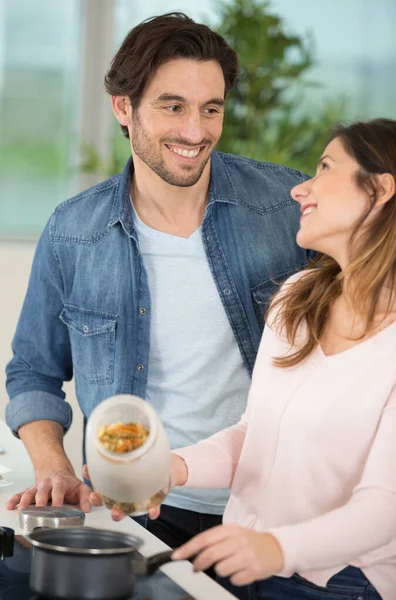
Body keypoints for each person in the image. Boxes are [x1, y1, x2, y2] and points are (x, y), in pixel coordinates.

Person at [5, 13, 311, 549]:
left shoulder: (286, 207)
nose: (196, 132)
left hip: (273, 509)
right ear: (124, 107)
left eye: (210, 109)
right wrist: (54, 468)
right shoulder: (74, 233)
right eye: (173, 106)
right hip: (139, 516)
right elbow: (33, 371)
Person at [158, 118, 396, 600]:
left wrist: (274, 548)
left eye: (325, 167)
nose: (299, 190)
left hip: (341, 583)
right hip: (246, 561)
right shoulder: (297, 299)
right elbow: (255, 436)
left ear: (379, 188)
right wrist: (171, 468)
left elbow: (384, 507)